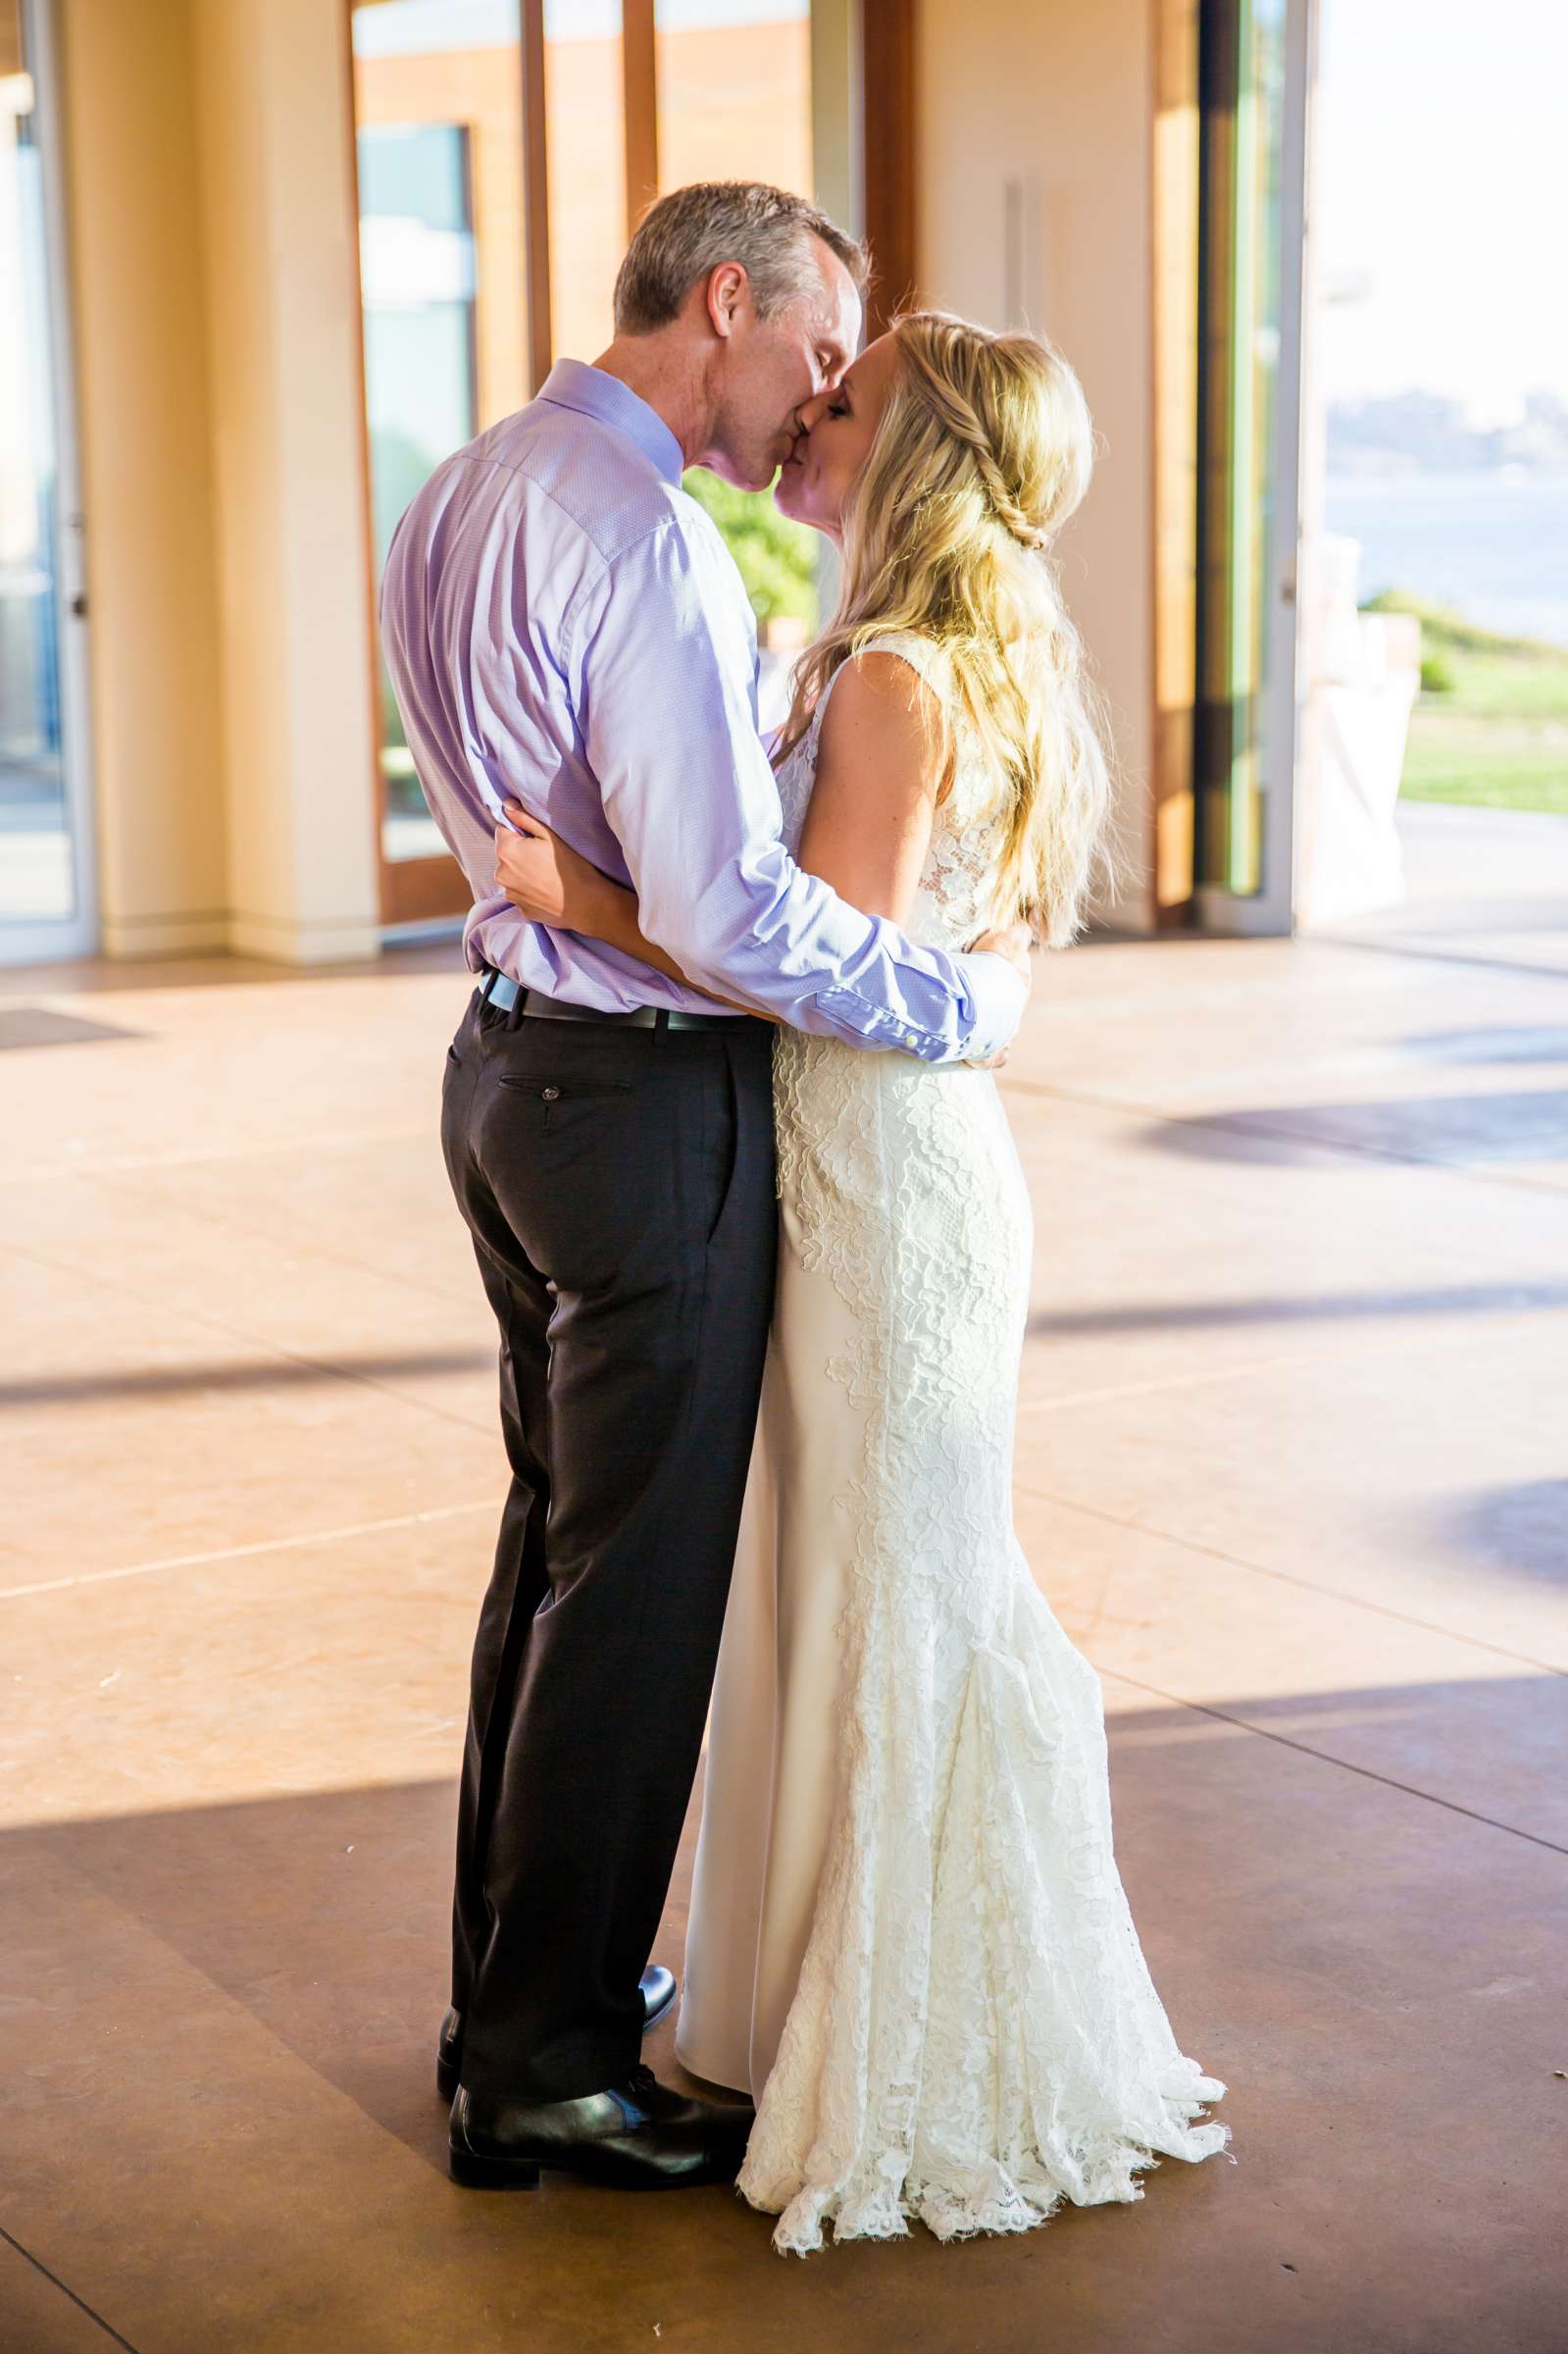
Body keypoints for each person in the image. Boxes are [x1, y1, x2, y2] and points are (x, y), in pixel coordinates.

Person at [494, 310, 1234, 2251]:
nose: (806, 420)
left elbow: (793, 950)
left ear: (908, 459)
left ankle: (903, 2048)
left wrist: (582, 898)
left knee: (892, 1596)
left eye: (844, 403)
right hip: (877, 1168)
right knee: (853, 1586)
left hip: (879, 1190)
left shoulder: (899, 677)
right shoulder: (948, 660)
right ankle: (827, 2000)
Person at [378, 181, 1034, 2196]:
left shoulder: (464, 485)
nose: (815, 392)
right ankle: (549, 2059)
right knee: (635, 1593)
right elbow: (731, 909)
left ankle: (513, 1994)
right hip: (640, 1112)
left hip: (503, 1077)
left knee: (552, 1560)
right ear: (723, 303)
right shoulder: (640, 525)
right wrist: (952, 999)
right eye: (808, 349)